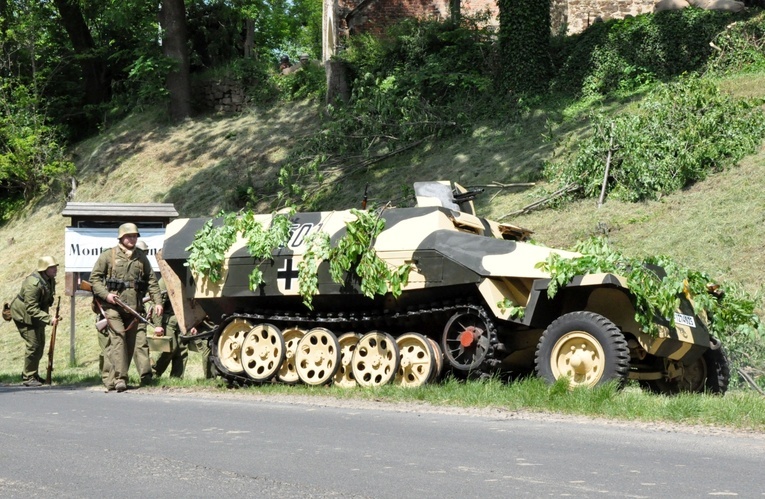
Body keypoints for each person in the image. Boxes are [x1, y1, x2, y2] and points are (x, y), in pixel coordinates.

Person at [90, 223, 163, 392]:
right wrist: (106, 295)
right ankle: (120, 379)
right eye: (129, 236)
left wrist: (157, 302)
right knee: (118, 340)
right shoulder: (108, 256)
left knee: (130, 345)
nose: (133, 238)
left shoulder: (141, 258)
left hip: (134, 307)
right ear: (121, 237)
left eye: (135, 236)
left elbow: (152, 281)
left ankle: (110, 380)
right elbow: (95, 280)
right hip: (113, 307)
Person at [10, 256, 60, 387]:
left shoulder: (49, 279)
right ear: (44, 269)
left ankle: (33, 374)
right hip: (24, 316)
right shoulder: (33, 284)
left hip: (36, 316)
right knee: (33, 345)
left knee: (40, 344)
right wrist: (49, 319)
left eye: (55, 267)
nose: (55, 269)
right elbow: (31, 308)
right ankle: (28, 377)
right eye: (52, 267)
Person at [152, 277, 188, 378]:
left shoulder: (186, 278)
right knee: (171, 347)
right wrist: (158, 325)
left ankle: (176, 378)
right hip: (167, 319)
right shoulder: (165, 280)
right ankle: (154, 372)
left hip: (181, 320)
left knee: (182, 350)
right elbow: (157, 303)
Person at [131, 240, 155, 385]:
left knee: (141, 344)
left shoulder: (144, 271)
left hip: (138, 311)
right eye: (142, 253)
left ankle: (146, 376)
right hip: (121, 312)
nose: (144, 256)